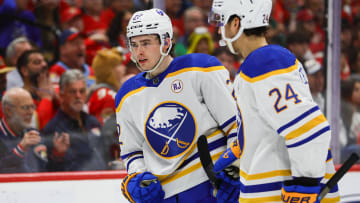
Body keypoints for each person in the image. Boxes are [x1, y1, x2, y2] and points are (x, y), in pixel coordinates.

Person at [209, 0, 340, 202]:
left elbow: (311, 129)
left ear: (236, 23)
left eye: (222, 22)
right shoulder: (261, 63)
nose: (219, 31)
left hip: (279, 194)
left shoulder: (265, 62)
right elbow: (270, 125)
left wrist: (305, 184)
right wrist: (238, 155)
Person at [116, 8, 239, 203]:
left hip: (212, 187)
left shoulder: (201, 69)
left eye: (146, 43)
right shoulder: (126, 95)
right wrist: (137, 179)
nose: (139, 51)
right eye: (134, 44)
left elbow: (236, 126)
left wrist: (237, 169)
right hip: (165, 195)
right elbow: (132, 152)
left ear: (166, 42)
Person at [42, 69, 106, 171]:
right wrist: (58, 155)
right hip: (74, 184)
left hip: (104, 181)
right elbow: (49, 171)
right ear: (62, 95)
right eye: (72, 92)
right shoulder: (53, 129)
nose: (78, 96)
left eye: (82, 91)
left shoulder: (93, 122)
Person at [0, 88, 47, 173]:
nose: (31, 112)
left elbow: (46, 168)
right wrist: (20, 149)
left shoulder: (33, 133)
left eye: (32, 107)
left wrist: (57, 155)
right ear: (8, 111)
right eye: (26, 108)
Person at [16, 50, 59, 130]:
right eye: (37, 62)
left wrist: (56, 98)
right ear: (24, 71)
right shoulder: (17, 99)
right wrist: (46, 98)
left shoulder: (55, 89)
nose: (44, 64)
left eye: (44, 61)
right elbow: (40, 128)